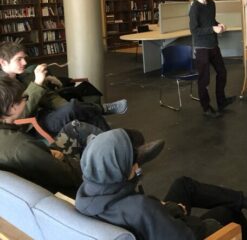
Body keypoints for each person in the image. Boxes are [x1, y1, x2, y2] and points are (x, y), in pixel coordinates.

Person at [75, 128, 247, 240]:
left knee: (182, 185)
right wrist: (180, 215)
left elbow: (145, 215)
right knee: (227, 214)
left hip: (154, 222)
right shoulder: (141, 209)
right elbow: (190, 235)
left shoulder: (85, 196)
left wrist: (167, 209)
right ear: (119, 171)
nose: (137, 166)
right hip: (178, 229)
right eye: (133, 163)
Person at [0, 76, 164, 197]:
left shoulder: (10, 137)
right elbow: (67, 176)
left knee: (74, 127)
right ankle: (123, 160)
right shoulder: (20, 146)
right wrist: (77, 161)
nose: (26, 99)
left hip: (44, 163)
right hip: (67, 183)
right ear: (11, 108)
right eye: (24, 98)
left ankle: (118, 149)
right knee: (74, 113)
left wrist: (49, 154)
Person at [0, 42, 127, 135]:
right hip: (33, 124)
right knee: (76, 109)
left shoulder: (24, 75)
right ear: (3, 62)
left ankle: (115, 141)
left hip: (46, 112)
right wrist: (38, 83)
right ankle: (103, 111)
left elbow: (48, 96)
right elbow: (18, 115)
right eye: (19, 59)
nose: (25, 63)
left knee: (86, 114)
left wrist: (64, 105)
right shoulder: (2, 88)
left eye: (24, 58)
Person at [189, 0, 235, 118]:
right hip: (202, 48)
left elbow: (211, 21)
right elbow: (194, 30)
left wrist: (219, 25)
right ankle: (206, 107)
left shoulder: (211, 4)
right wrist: (212, 29)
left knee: (222, 72)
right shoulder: (194, 9)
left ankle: (221, 101)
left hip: (213, 45)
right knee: (204, 79)